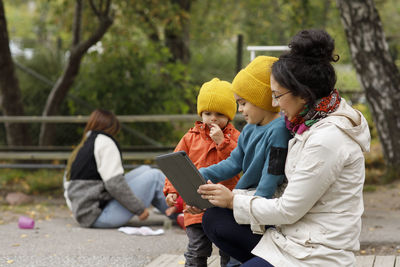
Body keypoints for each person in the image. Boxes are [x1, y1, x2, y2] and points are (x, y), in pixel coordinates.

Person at [198, 29, 371, 267]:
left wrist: (231, 200)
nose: (273, 104)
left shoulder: (327, 140)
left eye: (277, 95)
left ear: (303, 94)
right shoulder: (306, 125)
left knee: (225, 213)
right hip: (292, 236)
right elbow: (285, 194)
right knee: (215, 218)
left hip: (315, 253)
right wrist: (221, 197)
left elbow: (288, 208)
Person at [195, 56, 292, 234]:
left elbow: (272, 175)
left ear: (261, 100)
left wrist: (256, 216)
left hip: (261, 203)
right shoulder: (249, 129)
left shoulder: (279, 130)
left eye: (243, 103)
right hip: (244, 196)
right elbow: (233, 163)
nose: (239, 110)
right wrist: (203, 173)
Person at [164, 78, 241, 267]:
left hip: (225, 203)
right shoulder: (191, 137)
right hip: (196, 204)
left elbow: (240, 161)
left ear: (229, 115)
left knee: (229, 249)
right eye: (207, 113)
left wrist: (222, 142)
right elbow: (175, 165)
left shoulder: (236, 137)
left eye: (219, 114)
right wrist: (171, 190)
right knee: (197, 248)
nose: (213, 118)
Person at [63, 109, 174, 228]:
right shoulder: (105, 142)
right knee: (154, 177)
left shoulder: (83, 144)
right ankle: (186, 214)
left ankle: (176, 210)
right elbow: (114, 184)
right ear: (113, 127)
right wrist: (139, 209)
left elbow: (68, 185)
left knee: (145, 169)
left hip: (84, 212)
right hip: (99, 215)